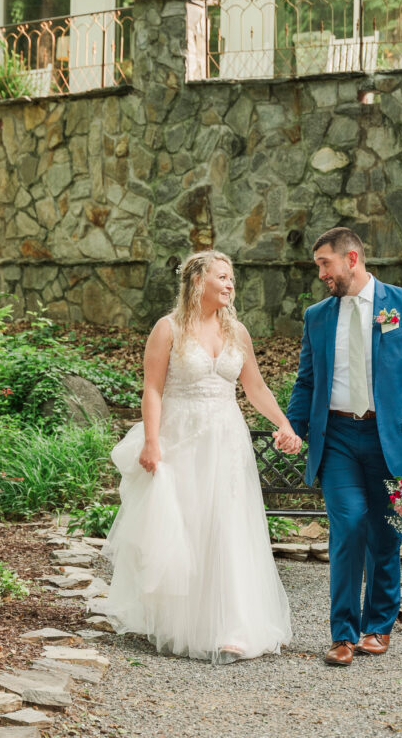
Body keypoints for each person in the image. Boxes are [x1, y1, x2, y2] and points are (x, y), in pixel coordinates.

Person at [103, 250, 300, 665]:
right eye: (223, 277)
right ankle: (183, 623)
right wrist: (151, 441)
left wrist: (284, 423)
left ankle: (232, 627)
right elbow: (152, 389)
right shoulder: (168, 328)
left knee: (228, 526)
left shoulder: (237, 332)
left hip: (227, 441)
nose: (230, 285)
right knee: (186, 528)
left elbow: (255, 388)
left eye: (232, 279)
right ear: (198, 282)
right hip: (181, 440)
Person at [286, 227, 402, 666]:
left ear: (352, 258)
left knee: (383, 535)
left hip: (389, 439)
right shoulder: (317, 316)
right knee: (349, 525)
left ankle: (377, 627)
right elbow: (307, 381)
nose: (321, 273)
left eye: (325, 263)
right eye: (318, 265)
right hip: (337, 438)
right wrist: (293, 426)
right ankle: (342, 633)